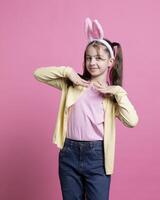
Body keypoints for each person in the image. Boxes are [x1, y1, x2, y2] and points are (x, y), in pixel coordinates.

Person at [33, 17, 139, 200]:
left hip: (97, 156)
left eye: (99, 58)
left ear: (110, 61)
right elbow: (38, 74)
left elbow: (132, 121)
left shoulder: (112, 95)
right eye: (88, 58)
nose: (92, 62)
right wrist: (67, 72)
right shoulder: (73, 85)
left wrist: (116, 91)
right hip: (69, 153)